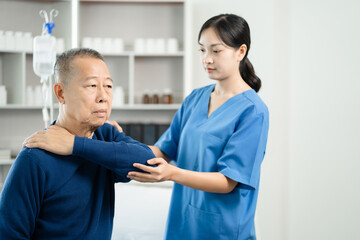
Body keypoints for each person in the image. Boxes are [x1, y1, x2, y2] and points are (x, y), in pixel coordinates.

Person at [22, 14, 269, 240]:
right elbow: (160, 152)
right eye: (202, 50)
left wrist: (171, 173)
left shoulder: (253, 111)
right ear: (61, 93)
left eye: (216, 50)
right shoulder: (196, 98)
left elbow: (229, 181)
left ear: (241, 51)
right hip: (184, 221)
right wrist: (118, 141)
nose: (207, 59)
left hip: (224, 227)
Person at [0, 48, 155, 239]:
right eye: (91, 86)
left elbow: (148, 162)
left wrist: (75, 145)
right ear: (61, 93)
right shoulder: (34, 158)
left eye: (108, 86)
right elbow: (9, 233)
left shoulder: (105, 136)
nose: (103, 96)